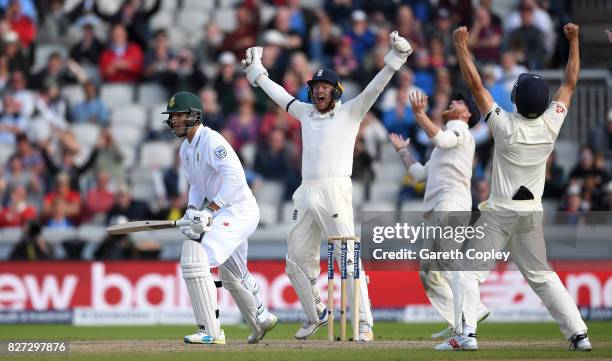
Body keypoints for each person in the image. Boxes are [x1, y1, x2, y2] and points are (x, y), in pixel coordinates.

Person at [241, 30, 414, 341]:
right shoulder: (305, 113)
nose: (318, 91)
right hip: (306, 192)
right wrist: (257, 73)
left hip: (335, 192)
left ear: (336, 92)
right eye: (315, 87)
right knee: (295, 261)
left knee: (346, 258)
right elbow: (280, 95)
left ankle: (363, 323)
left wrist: (396, 59)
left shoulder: (351, 112)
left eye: (324, 87)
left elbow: (375, 88)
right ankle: (317, 314)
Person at [442, 23, 591, 351]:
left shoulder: (505, 125)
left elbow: (475, 84)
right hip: (531, 215)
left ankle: (466, 335)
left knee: (466, 271)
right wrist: (575, 41)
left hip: (499, 215)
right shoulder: (551, 124)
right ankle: (579, 335)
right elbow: (570, 81)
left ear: (515, 99)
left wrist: (462, 45)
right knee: (543, 277)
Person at [162, 91, 277, 345]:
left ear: (194, 115)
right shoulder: (185, 149)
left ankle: (210, 331)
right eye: (172, 117)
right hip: (225, 212)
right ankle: (261, 317)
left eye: (179, 115)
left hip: (239, 210)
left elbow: (236, 179)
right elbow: (196, 184)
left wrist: (210, 210)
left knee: (196, 255)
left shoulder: (213, 141)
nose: (174, 121)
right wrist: (192, 210)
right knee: (233, 274)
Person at [388, 91, 490, 341]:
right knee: (429, 273)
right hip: (442, 206)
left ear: (466, 114)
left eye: (458, 102)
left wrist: (419, 114)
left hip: (453, 204)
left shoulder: (461, 132)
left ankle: (468, 321)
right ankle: (463, 318)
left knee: (447, 261)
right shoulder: (445, 144)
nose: (452, 102)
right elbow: (420, 174)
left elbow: (442, 140)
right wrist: (402, 151)